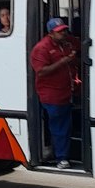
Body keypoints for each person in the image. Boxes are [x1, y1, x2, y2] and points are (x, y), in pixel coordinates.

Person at [30, 18, 76, 169]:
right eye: (60, 31)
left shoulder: (66, 43)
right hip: (52, 95)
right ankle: (61, 158)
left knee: (65, 126)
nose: (63, 33)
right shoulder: (41, 48)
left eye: (64, 30)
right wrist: (64, 61)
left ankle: (59, 153)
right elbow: (41, 71)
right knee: (59, 127)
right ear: (51, 33)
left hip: (67, 92)